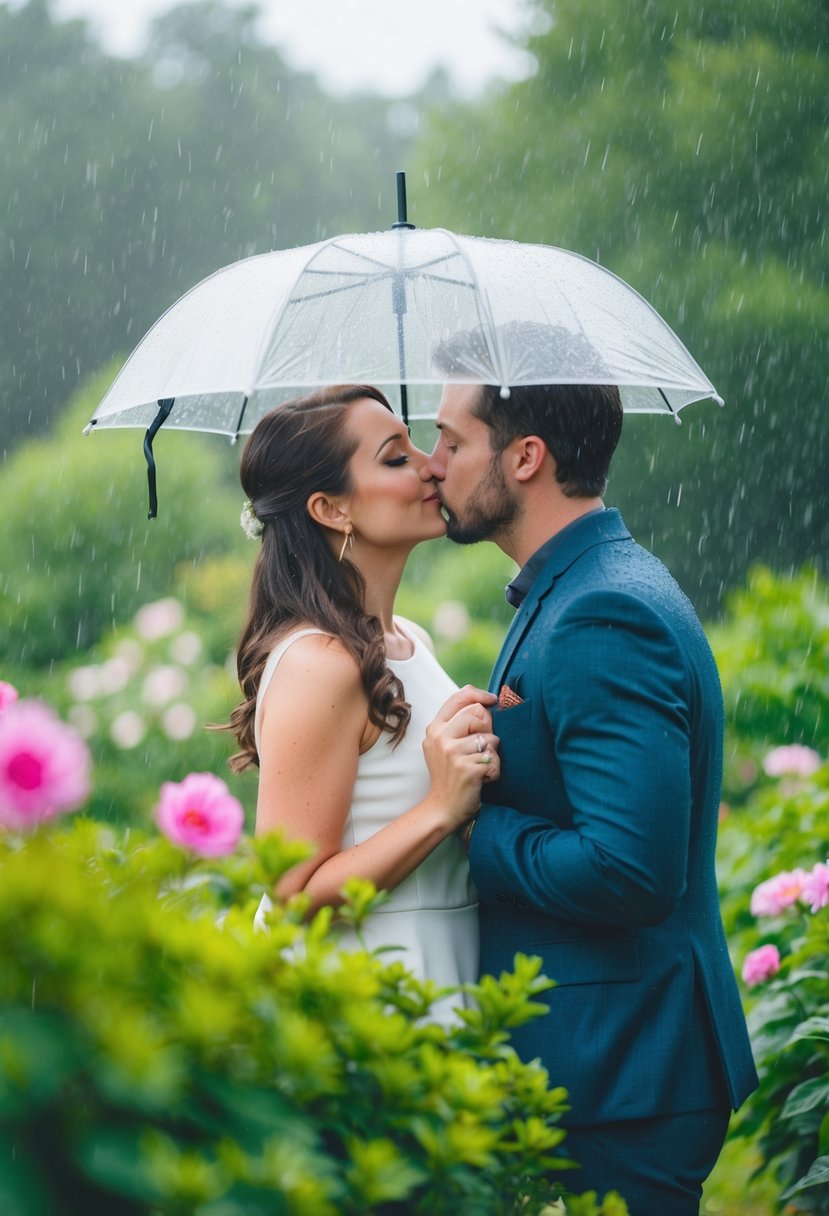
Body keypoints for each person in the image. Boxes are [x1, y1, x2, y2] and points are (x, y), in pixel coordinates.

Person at [422, 328, 758, 1213]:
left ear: (524, 456)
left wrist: (466, 822)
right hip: (610, 1060)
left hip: (625, 1073)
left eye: (452, 440)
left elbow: (630, 870)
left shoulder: (602, 610)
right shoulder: (578, 588)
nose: (432, 462)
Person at [225, 383, 499, 1027]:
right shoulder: (320, 665)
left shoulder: (411, 641)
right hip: (366, 990)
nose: (432, 466)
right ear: (331, 508)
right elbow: (292, 893)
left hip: (445, 967)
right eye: (396, 458)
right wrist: (439, 808)